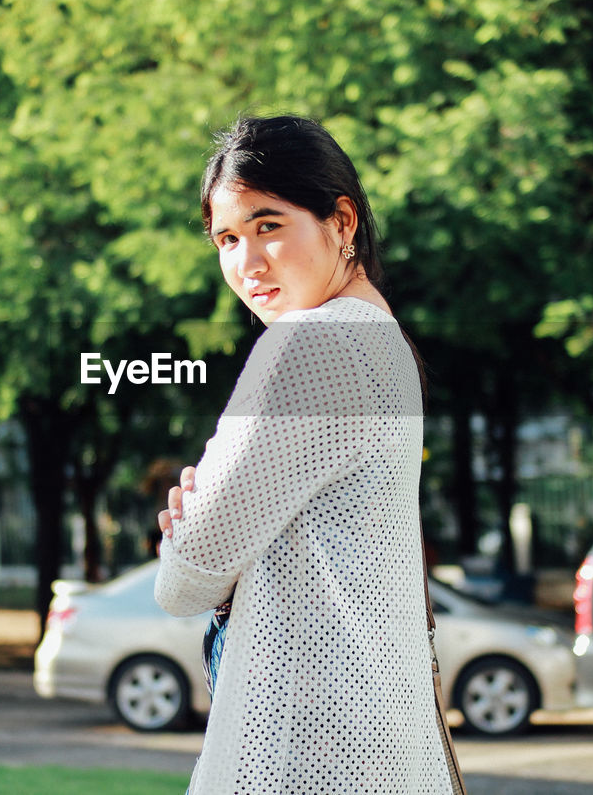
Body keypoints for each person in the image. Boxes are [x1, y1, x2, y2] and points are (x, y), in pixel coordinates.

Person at [154, 116, 465, 794]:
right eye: (228, 239)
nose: (247, 262)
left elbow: (182, 584)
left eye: (269, 225)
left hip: (302, 745)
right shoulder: (384, 343)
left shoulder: (310, 344)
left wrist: (187, 531)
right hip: (371, 737)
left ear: (342, 219)